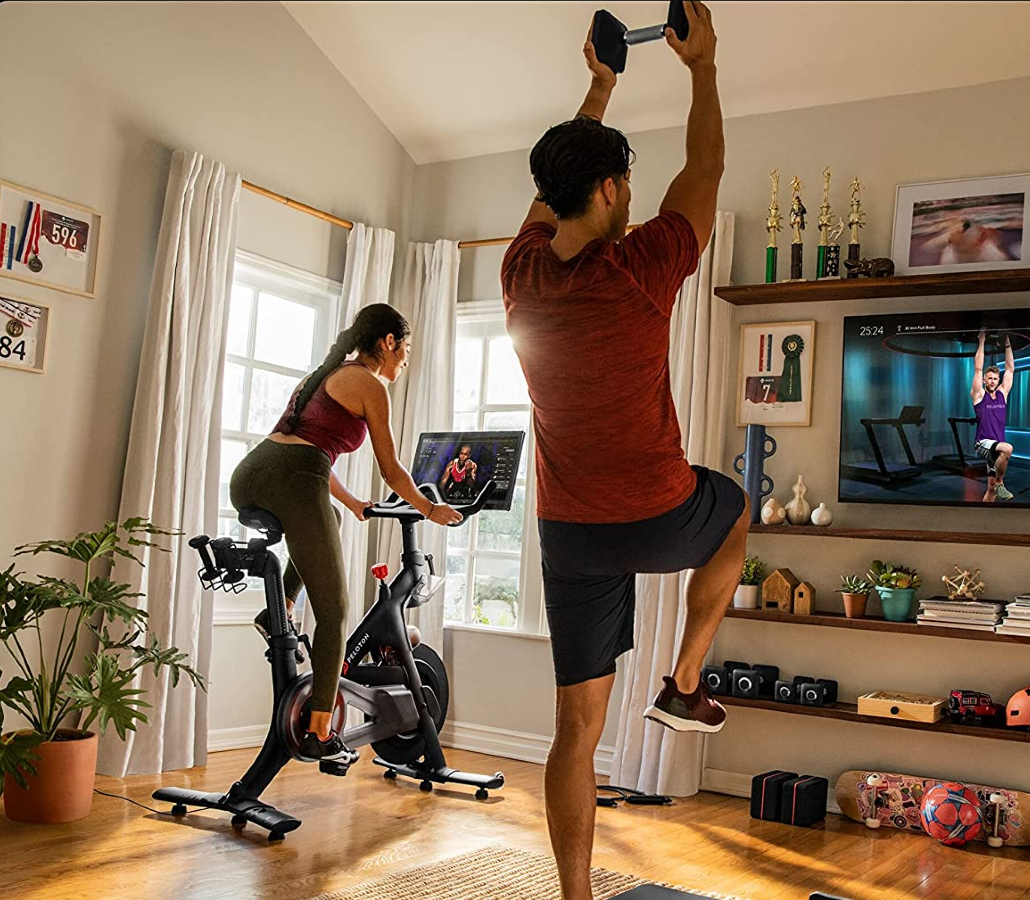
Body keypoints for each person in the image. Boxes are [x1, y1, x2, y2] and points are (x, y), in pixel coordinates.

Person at [500, 5, 749, 899]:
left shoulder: (518, 274)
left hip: (570, 535)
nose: (635, 199)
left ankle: (573, 898)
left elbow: (556, 184)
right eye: (626, 187)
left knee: (576, 730)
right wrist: (703, 65)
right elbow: (707, 167)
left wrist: (601, 87)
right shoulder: (639, 269)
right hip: (658, 517)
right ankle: (684, 678)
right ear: (609, 191)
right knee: (736, 512)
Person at [229, 303, 462, 767]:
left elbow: (305, 448)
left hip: (252, 474)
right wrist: (430, 509)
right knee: (335, 610)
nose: (406, 360)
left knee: (329, 519)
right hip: (295, 477)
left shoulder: (323, 374)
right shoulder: (370, 385)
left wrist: (352, 502)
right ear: (389, 343)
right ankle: (319, 730)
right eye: (406, 350)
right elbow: (392, 470)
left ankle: (281, 607)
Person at [971, 327, 1016, 502]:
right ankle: (1000, 483)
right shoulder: (979, 396)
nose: (992, 381)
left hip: (995, 450)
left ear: (998, 381)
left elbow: (1010, 369)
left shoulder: (1002, 395)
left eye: (995, 378)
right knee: (1008, 448)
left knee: (989, 489)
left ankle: (986, 511)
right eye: (989, 378)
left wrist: (1007, 343)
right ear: (984, 380)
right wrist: (981, 341)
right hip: (982, 444)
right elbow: (977, 368)